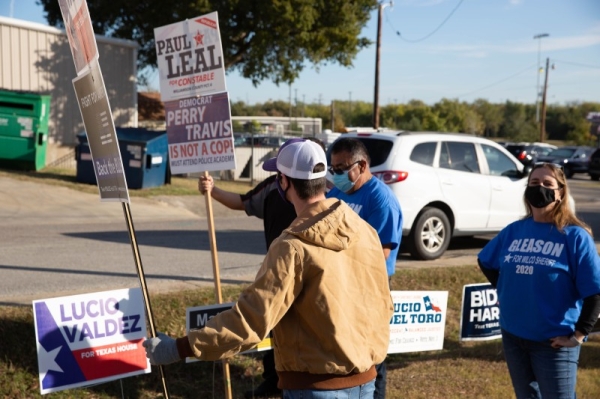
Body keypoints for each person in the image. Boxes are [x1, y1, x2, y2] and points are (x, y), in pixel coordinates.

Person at [144, 140, 394, 398]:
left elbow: (249, 322)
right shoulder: (365, 230)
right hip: (366, 382)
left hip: (315, 387)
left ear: (283, 182)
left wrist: (177, 348)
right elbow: (383, 304)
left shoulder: (292, 247)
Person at [478, 162, 600, 399]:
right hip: (513, 336)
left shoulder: (574, 236)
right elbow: (486, 261)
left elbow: (595, 292)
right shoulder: (514, 231)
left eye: (547, 184)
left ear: (561, 193)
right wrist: (504, 291)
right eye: (534, 183)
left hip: (553, 342)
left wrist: (578, 336)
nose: (540, 188)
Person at [197, 138, 302, 398]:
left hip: (307, 274)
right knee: (274, 324)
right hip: (276, 271)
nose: (278, 177)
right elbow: (243, 202)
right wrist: (213, 190)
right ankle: (274, 380)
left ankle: (295, 380)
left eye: (281, 170)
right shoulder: (270, 188)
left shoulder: (325, 193)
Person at [326, 137, 403, 399]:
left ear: (361, 165)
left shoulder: (381, 200)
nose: (335, 174)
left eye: (340, 168)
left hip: (369, 288)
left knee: (371, 357)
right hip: (340, 284)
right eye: (333, 168)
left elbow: (380, 253)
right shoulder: (337, 193)